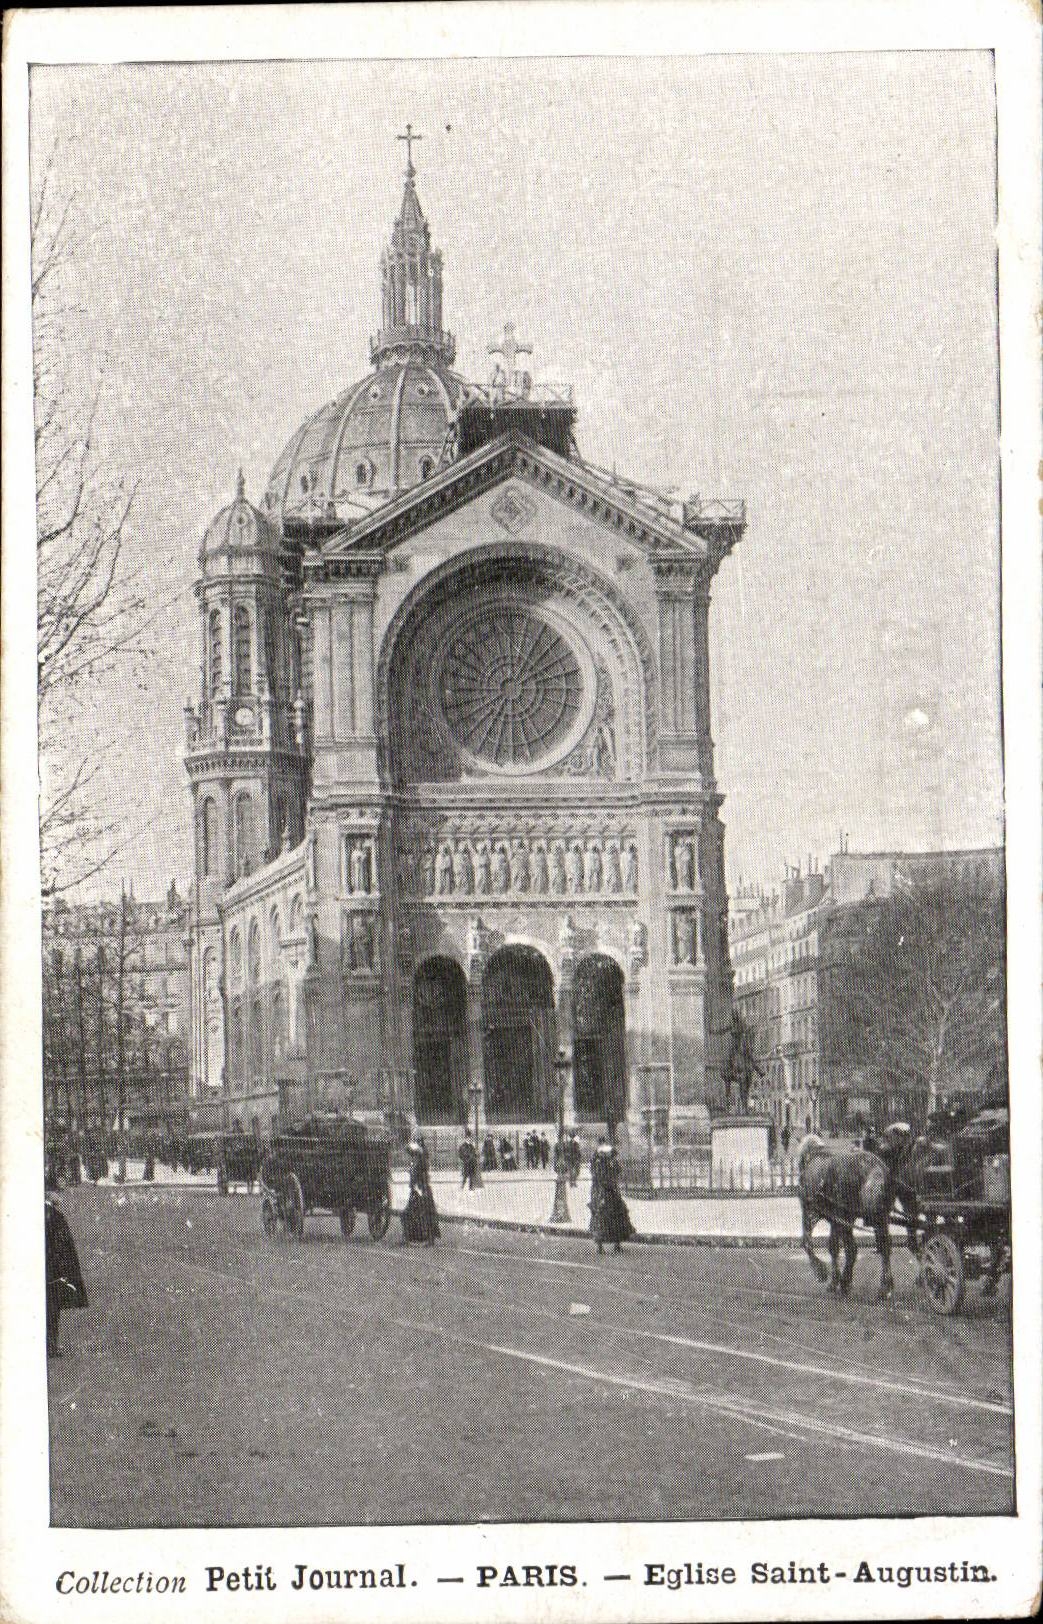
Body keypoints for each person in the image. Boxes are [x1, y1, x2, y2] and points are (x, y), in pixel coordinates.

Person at [45, 1197, 88, 1357]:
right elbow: (63, 1247)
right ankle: (50, 1347)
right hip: (52, 1272)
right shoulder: (54, 1216)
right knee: (51, 1309)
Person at [589, 1140, 635, 1255]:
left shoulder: (607, 1162)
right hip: (604, 1192)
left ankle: (614, 1244)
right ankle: (603, 1246)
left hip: (609, 1192)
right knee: (605, 1218)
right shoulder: (600, 1163)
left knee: (614, 1216)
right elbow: (599, 1178)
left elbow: (617, 1171)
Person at [401, 1141, 439, 1245]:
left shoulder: (420, 1162)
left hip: (421, 1190)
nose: (411, 1156)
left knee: (421, 1214)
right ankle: (416, 1237)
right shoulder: (418, 1161)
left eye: (411, 1153)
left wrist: (418, 1187)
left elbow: (420, 1176)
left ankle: (422, 1238)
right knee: (416, 1214)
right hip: (418, 1190)